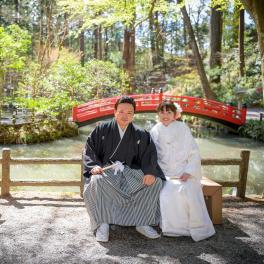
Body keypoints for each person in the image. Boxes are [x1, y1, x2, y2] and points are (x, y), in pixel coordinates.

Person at [83, 96, 164, 242]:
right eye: (121, 111)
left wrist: (150, 172)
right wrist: (94, 166)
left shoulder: (141, 134)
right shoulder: (102, 129)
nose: (125, 115)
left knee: (155, 182)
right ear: (114, 112)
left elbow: (149, 155)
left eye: (129, 112)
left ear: (133, 115)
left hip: (130, 171)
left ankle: (142, 221)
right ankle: (103, 223)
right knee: (97, 180)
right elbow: (90, 149)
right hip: (107, 170)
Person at [150, 100, 215, 242]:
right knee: (166, 190)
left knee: (186, 190)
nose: (165, 115)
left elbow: (193, 152)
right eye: (162, 112)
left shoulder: (183, 128)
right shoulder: (155, 130)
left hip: (183, 170)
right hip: (163, 171)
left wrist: (189, 171)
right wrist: (155, 172)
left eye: (169, 112)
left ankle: (190, 227)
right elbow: (151, 154)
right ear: (158, 114)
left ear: (175, 115)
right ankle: (171, 228)